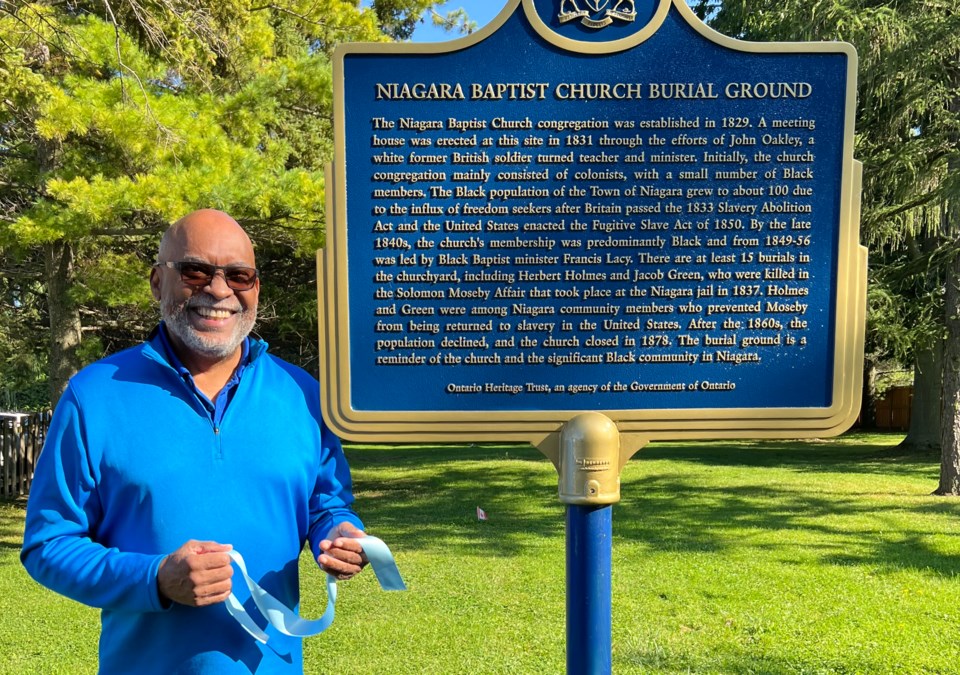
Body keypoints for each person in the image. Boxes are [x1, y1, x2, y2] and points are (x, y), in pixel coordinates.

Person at [22, 209, 369, 673]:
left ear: (256, 288)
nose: (219, 290)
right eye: (195, 271)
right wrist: (155, 578)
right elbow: (48, 544)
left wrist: (338, 535)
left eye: (239, 276)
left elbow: (327, 505)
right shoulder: (95, 394)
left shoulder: (302, 394)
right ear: (156, 282)